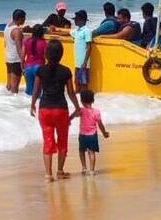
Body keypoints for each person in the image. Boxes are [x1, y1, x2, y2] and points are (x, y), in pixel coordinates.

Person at [30, 39, 81, 182]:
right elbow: (71, 93)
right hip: (60, 110)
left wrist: (32, 104)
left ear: (46, 53)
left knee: (48, 140)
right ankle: (60, 171)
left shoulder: (41, 70)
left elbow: (36, 90)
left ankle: (48, 175)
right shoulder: (66, 71)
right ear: (61, 54)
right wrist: (77, 108)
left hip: (45, 109)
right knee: (62, 140)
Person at [72, 89, 109, 175]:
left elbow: (74, 115)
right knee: (91, 152)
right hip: (92, 135)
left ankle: (84, 167)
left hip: (82, 135)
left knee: (81, 151)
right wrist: (104, 133)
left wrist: (68, 120)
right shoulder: (96, 112)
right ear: (93, 100)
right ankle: (92, 170)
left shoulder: (81, 110)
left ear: (81, 101)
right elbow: (100, 124)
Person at [4, 9, 26, 93]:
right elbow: (19, 48)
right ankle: (12, 104)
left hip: (8, 58)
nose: (25, 20)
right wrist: (23, 63)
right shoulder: (17, 31)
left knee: (9, 85)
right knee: (14, 88)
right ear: (20, 18)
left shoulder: (7, 26)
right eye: (24, 18)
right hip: (16, 60)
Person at [70, 10, 92, 91]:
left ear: (82, 20)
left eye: (76, 19)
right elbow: (68, 33)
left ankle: (85, 102)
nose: (75, 20)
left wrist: (85, 62)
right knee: (77, 83)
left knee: (84, 84)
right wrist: (56, 31)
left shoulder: (86, 31)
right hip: (77, 63)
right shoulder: (77, 30)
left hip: (83, 63)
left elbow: (89, 47)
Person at [23, 25, 47, 95]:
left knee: (29, 92)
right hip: (39, 67)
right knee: (38, 93)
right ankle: (36, 105)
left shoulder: (27, 41)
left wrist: (23, 68)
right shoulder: (44, 43)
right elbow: (46, 57)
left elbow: (22, 56)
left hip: (28, 67)